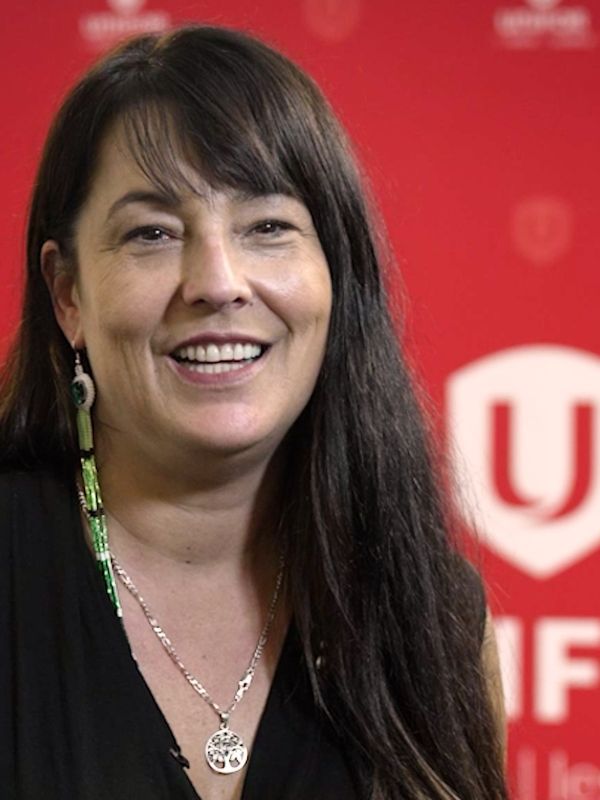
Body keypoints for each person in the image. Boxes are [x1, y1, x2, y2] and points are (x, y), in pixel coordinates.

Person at [0, 24, 508, 800]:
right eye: (153, 233)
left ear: (335, 274)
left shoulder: (430, 618)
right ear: (68, 294)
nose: (217, 281)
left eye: (268, 227)